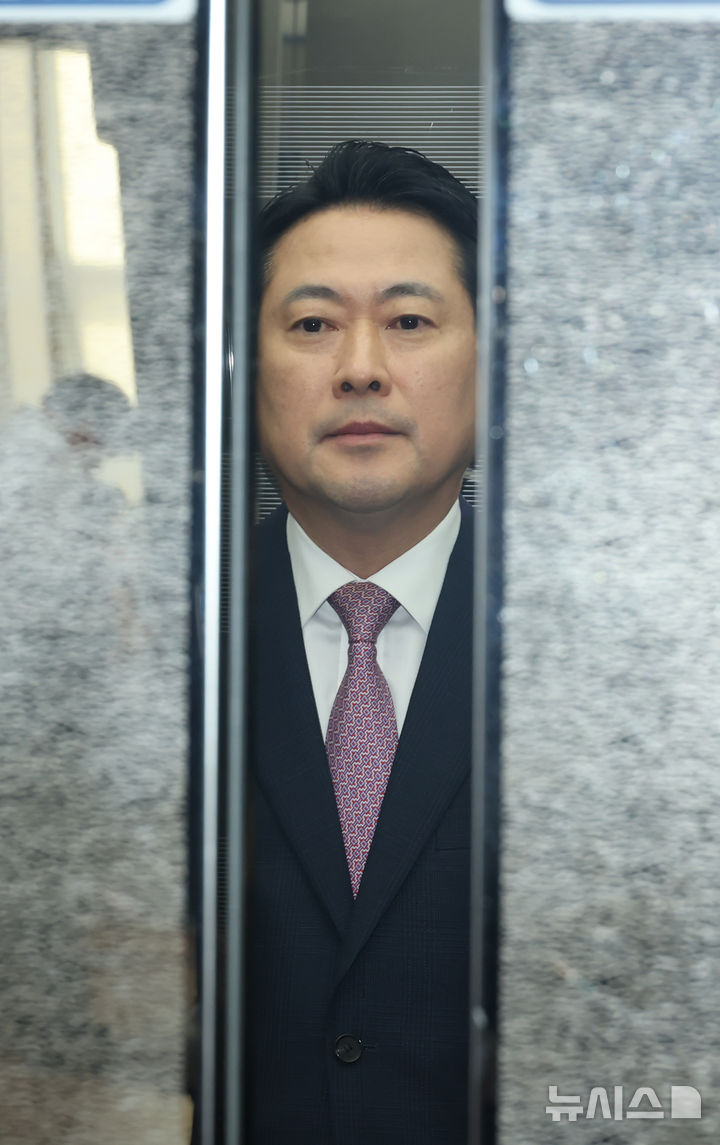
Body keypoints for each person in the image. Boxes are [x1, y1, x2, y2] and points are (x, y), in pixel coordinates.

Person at [247, 139, 477, 1145]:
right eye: (312, 324)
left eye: (410, 321)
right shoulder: (159, 644)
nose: (361, 369)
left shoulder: (597, 655)